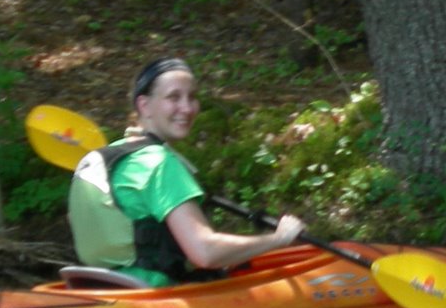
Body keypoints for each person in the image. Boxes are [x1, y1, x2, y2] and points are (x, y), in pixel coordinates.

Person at [67, 56, 305, 286]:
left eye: (192, 97)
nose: (187, 108)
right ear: (144, 105)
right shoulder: (158, 163)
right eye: (174, 97)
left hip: (100, 286)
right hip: (153, 294)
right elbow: (205, 252)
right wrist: (278, 239)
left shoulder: (112, 155)